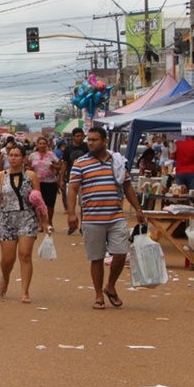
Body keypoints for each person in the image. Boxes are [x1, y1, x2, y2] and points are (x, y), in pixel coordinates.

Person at [66, 127, 145, 310]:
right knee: (97, 258)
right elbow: (73, 189)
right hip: (92, 218)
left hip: (116, 216)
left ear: (104, 141)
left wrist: (138, 209)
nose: (90, 143)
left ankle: (110, 285)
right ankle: (98, 295)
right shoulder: (81, 163)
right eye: (89, 140)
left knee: (120, 253)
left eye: (94, 140)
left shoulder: (116, 162)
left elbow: (127, 187)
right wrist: (71, 213)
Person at [0, 144, 41, 303]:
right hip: (6, 219)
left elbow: (38, 199)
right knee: (7, 258)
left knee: (25, 254)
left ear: (24, 158)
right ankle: (5, 277)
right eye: (11, 155)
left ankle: (25, 292)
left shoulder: (31, 176)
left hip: (27, 217)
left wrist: (45, 221)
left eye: (17, 155)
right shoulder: (1, 176)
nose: (13, 158)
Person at [27, 137, 60, 226]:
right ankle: (41, 223)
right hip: (37, 183)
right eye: (40, 143)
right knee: (38, 203)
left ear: (47, 144)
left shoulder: (51, 155)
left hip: (50, 182)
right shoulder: (32, 156)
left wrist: (53, 166)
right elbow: (28, 167)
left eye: (44, 143)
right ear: (37, 144)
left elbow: (59, 166)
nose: (42, 145)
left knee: (50, 204)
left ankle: (49, 221)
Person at [59, 128, 87, 232]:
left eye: (81, 136)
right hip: (71, 178)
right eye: (77, 136)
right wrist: (61, 179)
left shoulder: (87, 147)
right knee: (71, 203)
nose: (80, 138)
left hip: (85, 179)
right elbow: (65, 163)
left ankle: (83, 225)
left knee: (84, 204)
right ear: (73, 137)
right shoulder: (68, 149)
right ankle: (72, 225)